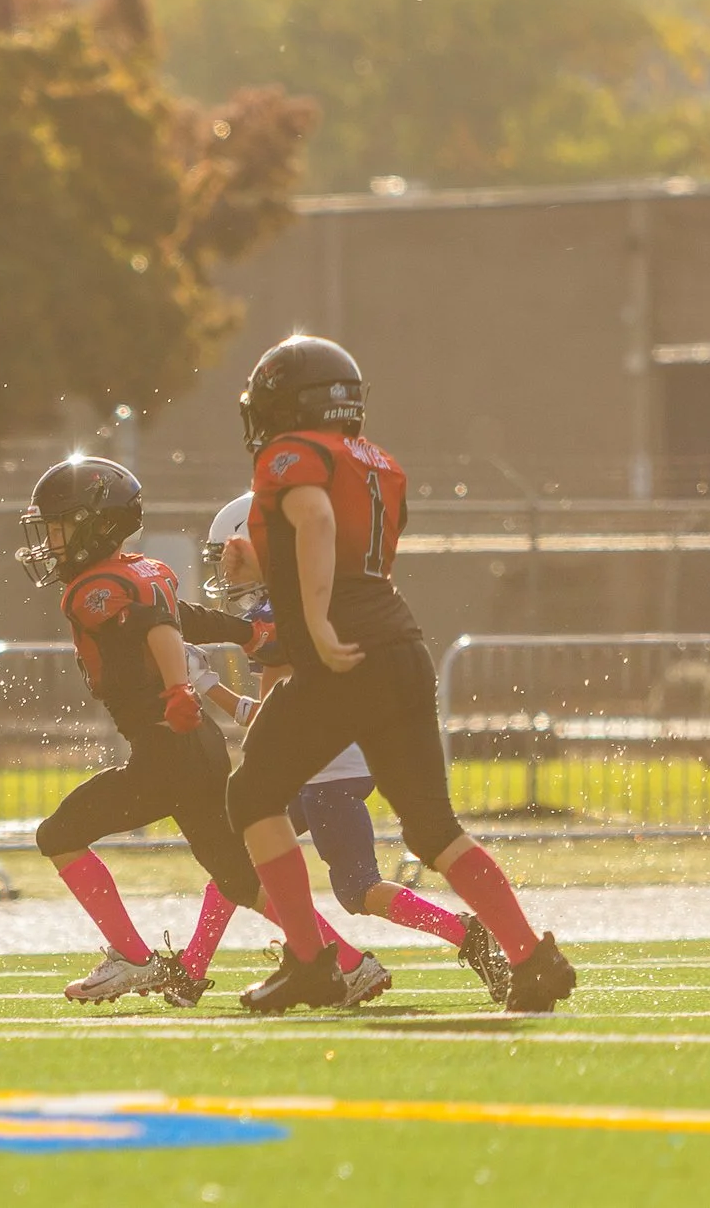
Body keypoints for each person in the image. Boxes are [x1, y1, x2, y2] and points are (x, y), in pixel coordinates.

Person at [223, 335, 573, 1015]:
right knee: (433, 827)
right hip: (399, 645)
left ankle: (309, 960)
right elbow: (353, 553)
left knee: (251, 793)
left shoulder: (290, 453)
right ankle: (532, 957)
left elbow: (318, 520)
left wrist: (317, 624)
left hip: (344, 653)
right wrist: (267, 565)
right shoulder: (379, 461)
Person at [13, 457, 370, 1007]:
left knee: (57, 835)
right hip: (197, 746)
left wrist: (179, 689)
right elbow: (180, 616)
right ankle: (347, 961)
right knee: (238, 878)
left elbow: (160, 628)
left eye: (59, 528)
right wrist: (246, 632)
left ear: (93, 525)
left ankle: (131, 957)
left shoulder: (95, 590)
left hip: (166, 748)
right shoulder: (139, 573)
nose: (52, 543)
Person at [189, 492, 511, 1003]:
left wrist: (206, 687)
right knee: (235, 858)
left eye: (227, 556)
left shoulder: (282, 614)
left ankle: (463, 933)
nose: (225, 574)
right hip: (326, 761)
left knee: (357, 889)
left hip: (329, 770)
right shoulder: (301, 600)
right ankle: (193, 967)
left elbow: (269, 721)